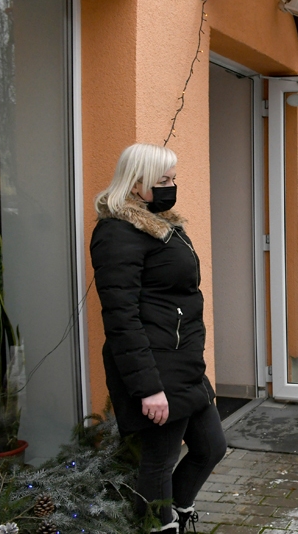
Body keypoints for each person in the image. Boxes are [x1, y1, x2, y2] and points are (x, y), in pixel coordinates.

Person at [90, 143, 227, 533]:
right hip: (157, 368)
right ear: (135, 185)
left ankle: (180, 513)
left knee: (211, 447)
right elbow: (120, 318)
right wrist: (148, 388)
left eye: (173, 178)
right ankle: (156, 526)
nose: (172, 186)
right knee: (159, 463)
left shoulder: (162, 224)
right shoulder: (117, 233)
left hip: (184, 362)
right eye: (162, 180)